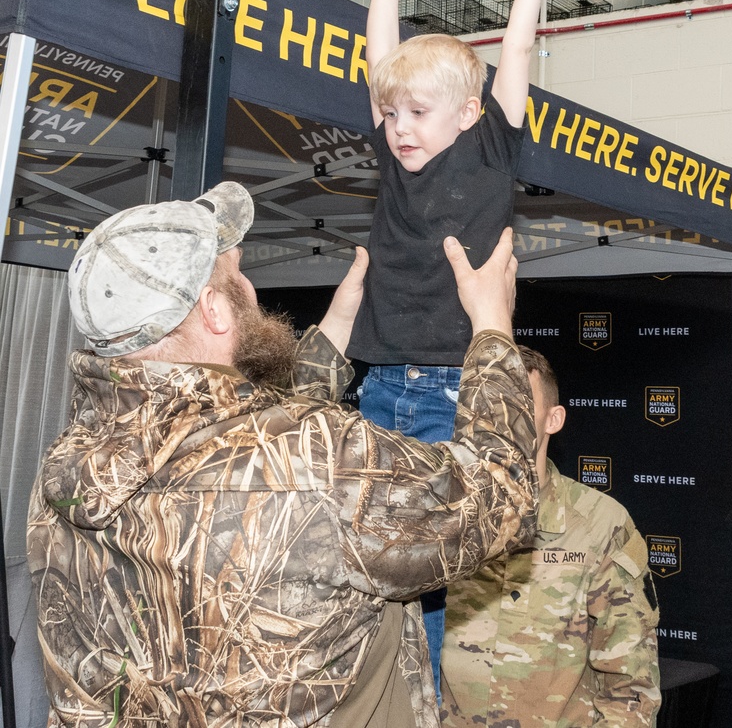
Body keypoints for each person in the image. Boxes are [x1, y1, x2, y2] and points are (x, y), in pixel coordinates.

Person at [26, 181, 539, 728]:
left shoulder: (65, 473)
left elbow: (247, 465)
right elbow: (498, 493)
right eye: (235, 276)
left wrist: (335, 331)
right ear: (214, 309)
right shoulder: (318, 461)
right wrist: (492, 327)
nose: (249, 284)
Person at [349, 0, 551, 690]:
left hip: (447, 386)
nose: (399, 128)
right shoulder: (396, 161)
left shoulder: (492, 142)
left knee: (433, 565)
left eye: (419, 114)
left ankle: (427, 696)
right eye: (391, 115)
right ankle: (379, 691)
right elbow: (380, 64)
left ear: (468, 114)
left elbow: (520, 47)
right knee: (370, 553)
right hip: (379, 382)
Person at [440, 346, 662, 728]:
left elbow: (631, 689)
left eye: (519, 403)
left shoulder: (599, 524)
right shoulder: (438, 518)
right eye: (487, 403)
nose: (501, 419)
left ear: (553, 419)